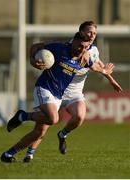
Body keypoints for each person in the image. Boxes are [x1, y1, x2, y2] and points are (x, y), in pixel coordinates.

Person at [0, 31, 109, 163]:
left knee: (39, 132)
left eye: (86, 47)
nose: (82, 50)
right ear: (73, 41)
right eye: (80, 46)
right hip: (44, 88)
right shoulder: (58, 48)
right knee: (53, 119)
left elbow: (94, 66)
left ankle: (8, 154)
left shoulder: (84, 57)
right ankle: (23, 116)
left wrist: (105, 72)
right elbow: (35, 46)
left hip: (58, 95)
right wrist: (33, 61)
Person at [22, 21, 123, 162]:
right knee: (43, 127)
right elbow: (40, 47)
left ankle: (62, 134)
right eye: (89, 32)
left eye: (94, 33)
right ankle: (30, 153)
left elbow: (99, 65)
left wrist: (111, 80)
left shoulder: (93, 51)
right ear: (80, 33)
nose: (92, 35)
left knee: (80, 116)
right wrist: (34, 60)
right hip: (55, 90)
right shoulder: (69, 46)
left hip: (74, 93)